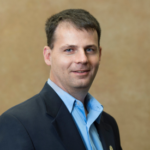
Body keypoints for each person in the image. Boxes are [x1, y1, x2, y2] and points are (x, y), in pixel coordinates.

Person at [0, 9, 122, 150]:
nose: (82, 59)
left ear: (99, 54)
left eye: (89, 49)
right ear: (48, 56)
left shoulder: (108, 124)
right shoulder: (18, 123)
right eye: (69, 50)